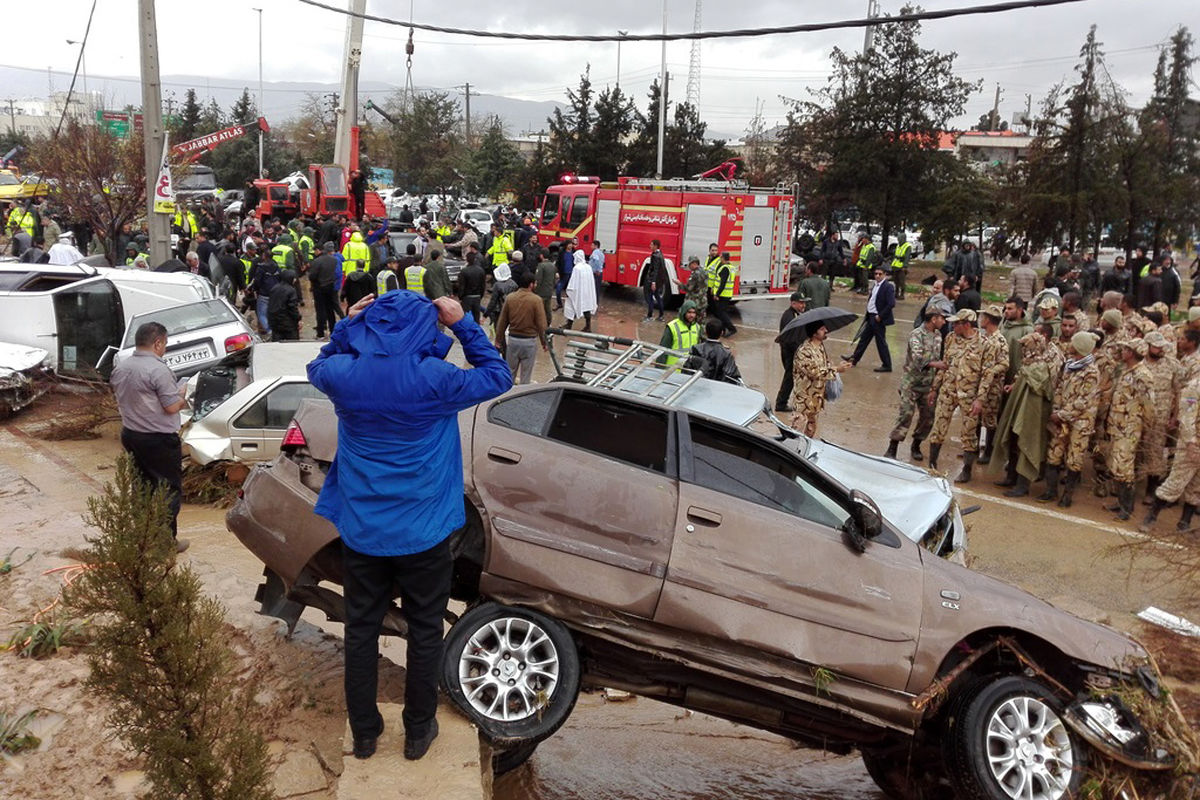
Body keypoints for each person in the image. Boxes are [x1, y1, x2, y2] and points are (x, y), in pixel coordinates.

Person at [308, 291, 511, 762]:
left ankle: (364, 735)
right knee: (424, 631)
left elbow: (318, 365)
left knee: (360, 630)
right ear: (427, 327)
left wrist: (345, 324)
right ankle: (418, 732)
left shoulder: (344, 376)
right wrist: (462, 324)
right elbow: (498, 376)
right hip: (424, 532)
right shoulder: (436, 379)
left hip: (363, 531)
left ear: (370, 326)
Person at [110, 321, 190, 553]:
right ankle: (166, 543)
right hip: (159, 440)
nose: (164, 348)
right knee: (168, 489)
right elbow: (172, 407)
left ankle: (142, 539)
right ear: (157, 343)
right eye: (164, 344)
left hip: (131, 435)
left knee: (141, 487)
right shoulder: (158, 369)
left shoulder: (122, 367)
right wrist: (183, 394)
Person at [991, 327, 1064, 497]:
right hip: (1022, 409)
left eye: (1026, 347)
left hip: (1032, 413)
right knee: (1015, 440)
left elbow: (1038, 388)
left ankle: (1022, 485)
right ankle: (1012, 477)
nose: (1023, 350)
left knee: (1026, 443)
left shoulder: (1039, 367)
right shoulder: (1033, 364)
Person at [1037, 332, 1101, 507]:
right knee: (1054, 453)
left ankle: (1067, 496)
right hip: (1062, 419)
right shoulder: (1070, 365)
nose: (1070, 345)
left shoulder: (1091, 372)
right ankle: (1051, 491)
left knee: (1074, 458)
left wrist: (1061, 415)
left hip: (1080, 422)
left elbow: (1083, 401)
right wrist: (1057, 410)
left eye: (1073, 343)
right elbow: (1059, 389)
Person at [926, 309, 986, 482]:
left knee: (968, 434)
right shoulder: (951, 338)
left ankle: (966, 470)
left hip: (969, 395)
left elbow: (987, 374)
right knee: (938, 427)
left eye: (956, 323)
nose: (952, 325)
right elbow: (944, 365)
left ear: (966, 324)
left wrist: (980, 399)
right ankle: (932, 465)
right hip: (948, 390)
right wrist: (934, 388)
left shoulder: (984, 344)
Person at [885, 308, 947, 461]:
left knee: (928, 417)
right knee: (906, 414)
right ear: (933, 319)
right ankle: (892, 447)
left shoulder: (938, 335)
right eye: (942, 318)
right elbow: (917, 358)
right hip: (911, 383)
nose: (944, 322)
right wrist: (935, 364)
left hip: (928, 385)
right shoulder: (916, 335)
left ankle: (916, 445)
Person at [1106, 339, 1155, 521]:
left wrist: (1147, 429)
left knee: (1124, 466)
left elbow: (1149, 405)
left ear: (1132, 352)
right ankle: (1120, 502)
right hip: (1118, 425)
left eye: (1126, 348)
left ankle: (1127, 508)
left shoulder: (1143, 375)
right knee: (1116, 464)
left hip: (1130, 427)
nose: (1122, 351)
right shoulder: (1127, 370)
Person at [791, 321, 852, 437]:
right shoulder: (804, 351)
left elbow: (824, 365)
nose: (826, 331)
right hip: (804, 400)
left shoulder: (820, 347)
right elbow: (814, 372)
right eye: (822, 329)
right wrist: (836, 369)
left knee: (810, 430)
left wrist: (836, 365)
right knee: (796, 432)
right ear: (814, 333)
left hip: (816, 399)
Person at [495, 269, 548, 385]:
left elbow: (502, 321)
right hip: (529, 342)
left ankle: (506, 397)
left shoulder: (510, 298)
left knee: (509, 373)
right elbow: (541, 324)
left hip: (513, 340)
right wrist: (545, 342)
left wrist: (498, 340)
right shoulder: (536, 300)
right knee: (526, 376)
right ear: (531, 284)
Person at [845, 266, 895, 372]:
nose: (877, 276)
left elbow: (891, 304)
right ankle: (854, 359)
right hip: (871, 316)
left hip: (878, 319)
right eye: (876, 274)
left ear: (885, 275)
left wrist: (880, 316)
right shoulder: (875, 285)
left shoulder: (888, 287)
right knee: (864, 339)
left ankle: (887, 365)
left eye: (880, 274)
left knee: (881, 342)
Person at [774, 292, 808, 412]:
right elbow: (791, 339)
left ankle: (783, 402)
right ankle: (781, 403)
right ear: (793, 303)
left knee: (791, 377)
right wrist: (801, 352)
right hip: (790, 351)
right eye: (801, 303)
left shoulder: (796, 314)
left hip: (793, 350)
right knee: (790, 377)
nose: (803, 305)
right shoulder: (789, 317)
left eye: (804, 303)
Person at [686, 319, 742, 383]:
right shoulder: (726, 353)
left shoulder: (696, 348)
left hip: (696, 385)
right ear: (722, 333)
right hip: (716, 388)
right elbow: (731, 376)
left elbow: (687, 371)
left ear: (706, 331)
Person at [309, 241, 341, 339]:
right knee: (330, 310)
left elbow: (312, 276)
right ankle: (332, 330)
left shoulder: (316, 261)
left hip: (319, 288)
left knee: (320, 311)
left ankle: (320, 333)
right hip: (330, 287)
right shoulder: (334, 260)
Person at [563, 249, 598, 332]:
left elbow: (573, 281)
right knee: (587, 307)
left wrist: (569, 291)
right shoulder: (588, 266)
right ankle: (588, 326)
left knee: (571, 306)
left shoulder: (577, 268)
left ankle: (569, 324)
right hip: (587, 292)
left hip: (578, 292)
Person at [659, 300, 702, 366]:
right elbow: (663, 350)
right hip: (671, 369)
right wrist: (659, 368)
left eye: (694, 313)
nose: (692, 315)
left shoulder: (697, 327)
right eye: (689, 312)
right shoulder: (672, 327)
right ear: (684, 312)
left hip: (688, 370)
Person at [267, 270, 302, 340]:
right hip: (287, 323)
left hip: (274, 321)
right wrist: (298, 319)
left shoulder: (274, 288)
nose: (295, 280)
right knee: (292, 343)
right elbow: (292, 307)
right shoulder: (291, 290)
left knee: (277, 342)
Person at [709, 252, 737, 336]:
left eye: (721, 257)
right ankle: (723, 329)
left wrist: (717, 294)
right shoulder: (731, 267)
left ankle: (731, 328)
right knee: (720, 312)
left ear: (723, 258)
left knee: (721, 313)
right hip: (726, 294)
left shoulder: (724, 268)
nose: (720, 259)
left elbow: (722, 283)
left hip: (723, 295)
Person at [456, 252, 487, 323]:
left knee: (466, 319)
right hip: (477, 296)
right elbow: (483, 285)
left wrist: (460, 297)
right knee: (476, 318)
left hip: (467, 297)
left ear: (467, 260)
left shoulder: (464, 271)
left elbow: (461, 286)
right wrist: (480, 295)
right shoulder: (481, 271)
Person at [642, 239, 666, 322]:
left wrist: (653, 282)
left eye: (651, 244)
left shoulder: (655, 256)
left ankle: (649, 316)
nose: (650, 246)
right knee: (658, 297)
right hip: (659, 281)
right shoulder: (660, 254)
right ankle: (661, 315)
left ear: (655, 246)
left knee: (650, 298)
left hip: (653, 281)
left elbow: (655, 270)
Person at [534, 249, 557, 324]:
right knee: (548, 309)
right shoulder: (552, 266)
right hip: (549, 291)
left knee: (539, 310)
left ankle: (539, 324)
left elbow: (538, 279)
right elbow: (554, 279)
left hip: (541, 291)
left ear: (541, 255)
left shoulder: (541, 266)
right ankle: (548, 323)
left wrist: (535, 290)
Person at [683, 256, 710, 320]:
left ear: (693, 263)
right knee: (702, 320)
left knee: (693, 320)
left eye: (690, 264)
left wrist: (680, 284)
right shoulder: (704, 271)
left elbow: (689, 288)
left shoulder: (695, 274)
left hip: (695, 301)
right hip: (703, 300)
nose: (689, 266)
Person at [889, 232, 912, 300]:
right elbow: (895, 255)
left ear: (903, 238)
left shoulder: (907, 246)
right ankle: (896, 293)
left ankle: (902, 294)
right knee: (896, 280)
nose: (899, 240)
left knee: (902, 281)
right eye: (898, 238)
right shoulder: (898, 246)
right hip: (895, 265)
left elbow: (907, 257)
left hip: (901, 266)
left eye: (900, 238)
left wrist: (905, 266)